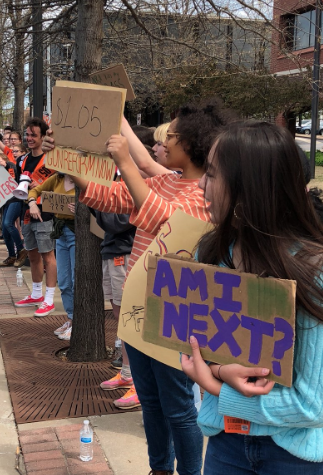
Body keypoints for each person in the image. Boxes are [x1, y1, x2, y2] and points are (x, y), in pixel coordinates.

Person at [43, 99, 232, 475]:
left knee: (178, 407)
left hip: (175, 316)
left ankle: (189, 471)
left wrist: (126, 163)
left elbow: (165, 223)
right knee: (150, 400)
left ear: (190, 144)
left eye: (171, 136)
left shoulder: (206, 195)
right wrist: (71, 168)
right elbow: (109, 196)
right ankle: (159, 468)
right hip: (138, 310)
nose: (163, 141)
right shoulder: (168, 180)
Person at [181, 120, 323, 475]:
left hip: (298, 458)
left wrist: (216, 385)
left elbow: (314, 405)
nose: (200, 183)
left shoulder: (317, 269)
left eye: (212, 174)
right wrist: (217, 368)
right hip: (226, 444)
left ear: (249, 189)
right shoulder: (211, 253)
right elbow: (190, 344)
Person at [13, 117, 57, 317]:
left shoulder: (51, 160)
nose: (29, 138)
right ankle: (36, 293)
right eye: (27, 134)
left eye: (33, 135)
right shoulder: (21, 160)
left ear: (42, 137)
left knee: (48, 255)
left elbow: (56, 187)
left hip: (44, 212)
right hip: (26, 211)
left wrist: (36, 188)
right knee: (31, 253)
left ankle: (49, 299)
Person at [94, 208, 137, 407]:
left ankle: (139, 383)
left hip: (126, 253)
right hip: (112, 252)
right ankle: (128, 374)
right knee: (120, 317)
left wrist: (96, 204)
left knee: (131, 320)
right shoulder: (120, 185)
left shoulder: (137, 185)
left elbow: (115, 222)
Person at [26, 173, 76, 338]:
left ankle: (77, 322)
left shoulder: (84, 179)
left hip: (78, 233)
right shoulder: (57, 179)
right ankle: (70, 319)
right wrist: (32, 203)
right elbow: (35, 191)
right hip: (61, 234)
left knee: (77, 280)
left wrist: (84, 208)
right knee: (64, 280)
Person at [0, 127, 27, 268]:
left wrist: (8, 164)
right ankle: (12, 255)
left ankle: (21, 250)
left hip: (17, 198)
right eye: (13, 151)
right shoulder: (9, 154)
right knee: (5, 229)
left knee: (8, 224)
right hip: (6, 197)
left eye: (17, 150)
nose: (14, 152)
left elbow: (17, 173)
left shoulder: (23, 162)